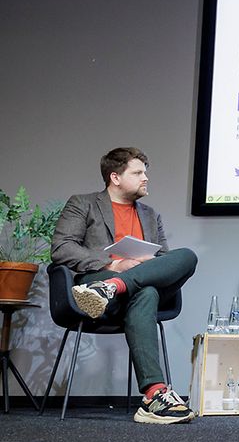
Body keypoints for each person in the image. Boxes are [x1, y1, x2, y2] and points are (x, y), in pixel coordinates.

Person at [51, 147, 198, 424]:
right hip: (94, 286)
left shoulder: (151, 215)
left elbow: (164, 259)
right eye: (138, 172)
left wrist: (145, 263)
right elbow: (62, 248)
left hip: (121, 291)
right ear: (115, 177)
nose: (146, 178)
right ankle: (155, 394)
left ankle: (117, 287)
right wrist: (112, 265)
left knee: (186, 257)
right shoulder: (83, 204)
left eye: (145, 172)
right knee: (147, 291)